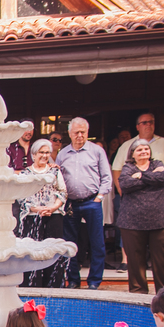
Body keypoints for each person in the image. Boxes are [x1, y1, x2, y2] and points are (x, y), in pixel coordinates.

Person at [116, 138, 164, 294]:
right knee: (135, 262)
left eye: (146, 149)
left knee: (162, 261)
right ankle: (138, 295)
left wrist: (140, 176)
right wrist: (150, 178)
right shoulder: (127, 168)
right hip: (132, 223)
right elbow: (125, 185)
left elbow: (163, 178)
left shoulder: (158, 164)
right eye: (139, 150)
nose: (144, 152)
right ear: (133, 154)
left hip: (160, 222)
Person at [58, 117, 111, 289]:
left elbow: (106, 177)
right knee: (70, 243)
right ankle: (73, 279)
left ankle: (94, 281)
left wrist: (99, 198)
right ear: (70, 134)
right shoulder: (63, 154)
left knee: (97, 243)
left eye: (83, 132)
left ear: (87, 133)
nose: (80, 136)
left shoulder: (97, 151)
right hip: (71, 204)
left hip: (91, 201)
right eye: (76, 133)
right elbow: (57, 179)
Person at [16, 139, 68, 288]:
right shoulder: (25, 173)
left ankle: (54, 285)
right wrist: (35, 209)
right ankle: (32, 285)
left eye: (47, 153)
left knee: (53, 250)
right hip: (32, 217)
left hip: (54, 216)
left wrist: (52, 208)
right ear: (34, 154)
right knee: (32, 252)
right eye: (41, 152)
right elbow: (21, 197)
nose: (44, 156)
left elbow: (63, 192)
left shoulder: (55, 171)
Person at [112, 112, 164, 195]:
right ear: (137, 127)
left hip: (158, 194)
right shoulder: (126, 145)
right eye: (144, 123)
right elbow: (116, 169)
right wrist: (121, 191)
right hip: (133, 195)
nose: (148, 125)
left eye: (151, 122)